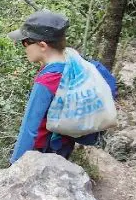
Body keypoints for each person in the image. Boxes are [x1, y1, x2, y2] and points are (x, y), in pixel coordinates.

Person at [7, 10, 116, 163]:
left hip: (43, 149)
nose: (23, 46)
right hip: (65, 144)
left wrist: (15, 164)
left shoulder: (47, 80)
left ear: (42, 45)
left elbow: (29, 128)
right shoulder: (75, 62)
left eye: (25, 42)